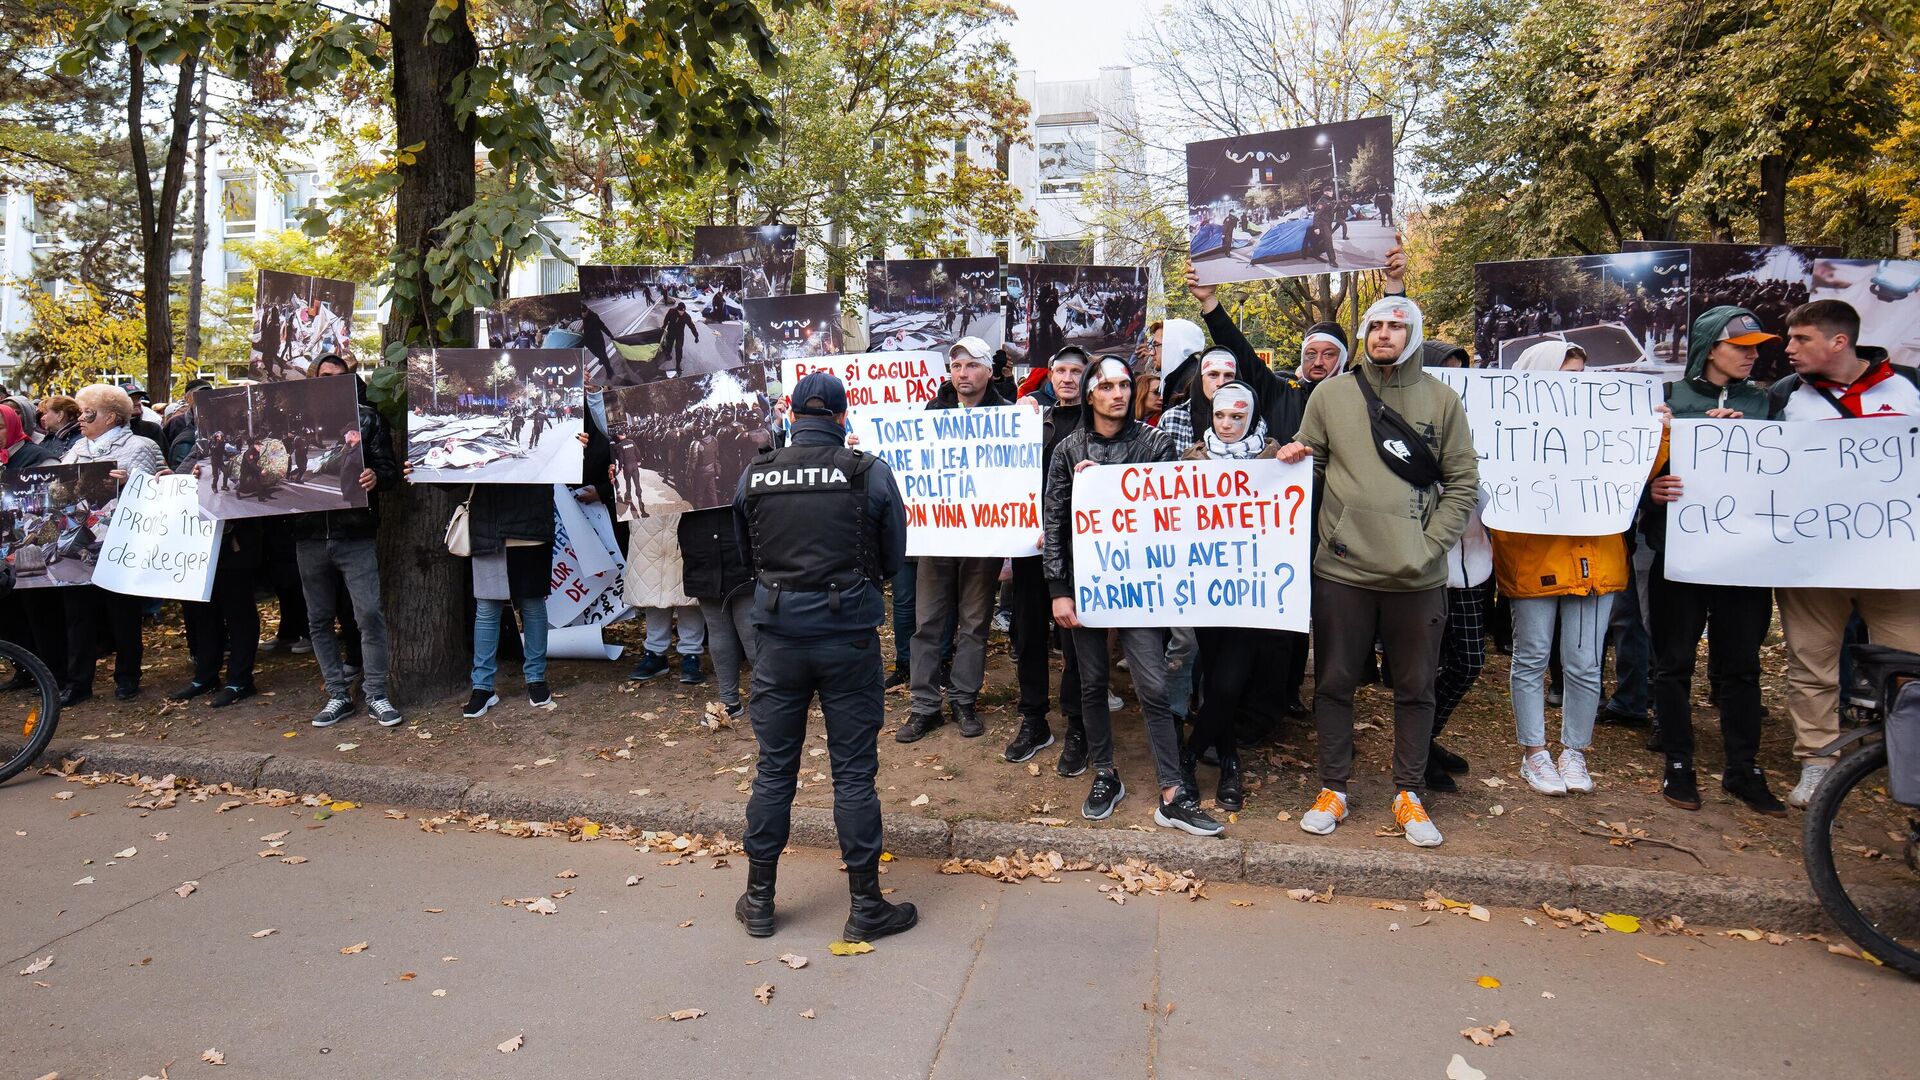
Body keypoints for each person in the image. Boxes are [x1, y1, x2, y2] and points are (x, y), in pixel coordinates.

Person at [1277, 293, 1478, 848]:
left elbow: (1463, 483)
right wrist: (1290, 456)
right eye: (1375, 325)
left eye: (1396, 326)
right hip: (1344, 572)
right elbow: (1310, 459)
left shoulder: (1442, 401)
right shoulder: (1331, 394)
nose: (1383, 334)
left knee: (1415, 687)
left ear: (1413, 335)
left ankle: (1408, 792)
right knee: (1335, 683)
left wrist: (1430, 545)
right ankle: (1334, 787)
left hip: (1417, 576)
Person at [730, 371, 916, 942]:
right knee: (854, 775)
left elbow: (747, 557)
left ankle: (760, 899)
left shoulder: (755, 474)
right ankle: (865, 906)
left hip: (779, 641)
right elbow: (892, 558)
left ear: (790, 412)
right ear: (841, 416)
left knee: (773, 770)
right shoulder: (869, 472)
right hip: (849, 639)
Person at [1043, 354, 1224, 837]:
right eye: (1106, 386)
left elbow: (1169, 510)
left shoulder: (1156, 444)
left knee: (1153, 686)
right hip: (1087, 586)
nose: (1118, 393)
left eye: (1124, 384)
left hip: (1141, 587)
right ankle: (1105, 773)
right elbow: (1055, 524)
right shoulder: (1067, 450)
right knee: (1090, 683)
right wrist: (1060, 591)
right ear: (1089, 394)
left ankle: (1172, 791)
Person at [1764, 300, 1920, 807]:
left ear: (1839, 341)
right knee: (1811, 662)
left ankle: (1906, 756)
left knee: (1909, 665)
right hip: (1814, 559)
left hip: (1895, 560)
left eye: (1801, 339)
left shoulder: (1911, 388)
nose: (1789, 349)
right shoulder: (1783, 397)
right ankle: (1817, 762)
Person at [1641, 307, 1787, 815]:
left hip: (1743, 560)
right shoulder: (1666, 400)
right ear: (1709, 346)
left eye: (1755, 347)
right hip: (1678, 556)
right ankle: (1678, 764)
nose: (1752, 354)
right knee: (1673, 662)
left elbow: (1791, 475)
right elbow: (1629, 468)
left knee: (1743, 667)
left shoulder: (1766, 403)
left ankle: (1743, 770)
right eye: (1740, 346)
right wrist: (1652, 490)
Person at [1489, 341, 1626, 797]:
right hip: (1534, 563)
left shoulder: (1611, 428)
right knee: (1530, 658)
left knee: (1584, 663)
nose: (1577, 385)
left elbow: (1643, 470)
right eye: (1567, 375)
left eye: (1583, 375)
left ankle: (1574, 752)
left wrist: (1659, 432)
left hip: (1594, 564)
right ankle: (1534, 753)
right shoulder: (1507, 433)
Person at [895, 337, 1011, 745]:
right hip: (938, 537)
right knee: (927, 622)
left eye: (972, 366)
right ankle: (925, 705)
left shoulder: (1010, 416)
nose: (963, 373)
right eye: (956, 366)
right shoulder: (932, 412)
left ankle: (964, 700)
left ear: (989, 372)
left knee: (975, 622)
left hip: (985, 540)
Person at [1178, 380, 1280, 809]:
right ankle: (1229, 760)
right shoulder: (1191, 457)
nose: (1228, 424)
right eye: (1220, 415)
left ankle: (1186, 756)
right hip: (1206, 587)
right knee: (1214, 676)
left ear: (1252, 417)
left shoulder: (1274, 455)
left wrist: (1297, 461)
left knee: (1229, 681)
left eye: (1238, 416)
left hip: (1253, 590)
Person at [297, 354, 403, 729]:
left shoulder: (369, 418)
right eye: (325, 376)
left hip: (355, 532)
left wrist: (377, 476)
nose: (331, 382)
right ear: (312, 378)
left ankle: (376, 693)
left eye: (339, 378)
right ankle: (337, 694)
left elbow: (389, 470)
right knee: (319, 619)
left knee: (369, 614)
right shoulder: (293, 418)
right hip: (308, 534)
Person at [1003, 346, 1090, 766]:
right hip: (1030, 546)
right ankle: (1034, 718)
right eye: (1062, 370)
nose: (1069, 378)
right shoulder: (1031, 418)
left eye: (1077, 371)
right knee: (1029, 635)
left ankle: (1077, 724)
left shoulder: (1099, 424)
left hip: (1079, 550)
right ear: (1050, 375)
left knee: (1076, 639)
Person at [58, 383, 164, 705]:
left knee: (123, 614)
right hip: (79, 546)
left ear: (111, 417)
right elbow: (59, 492)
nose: (81, 419)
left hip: (120, 543)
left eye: (89, 413)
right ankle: (78, 682)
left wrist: (130, 483)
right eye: (80, 412)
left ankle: (127, 676)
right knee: (78, 616)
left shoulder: (139, 446)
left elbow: (156, 493)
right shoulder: (76, 448)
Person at [680, 506, 755, 719]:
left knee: (750, 630)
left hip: (742, 543)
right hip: (701, 546)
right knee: (717, 627)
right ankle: (729, 701)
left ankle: (772, 698)